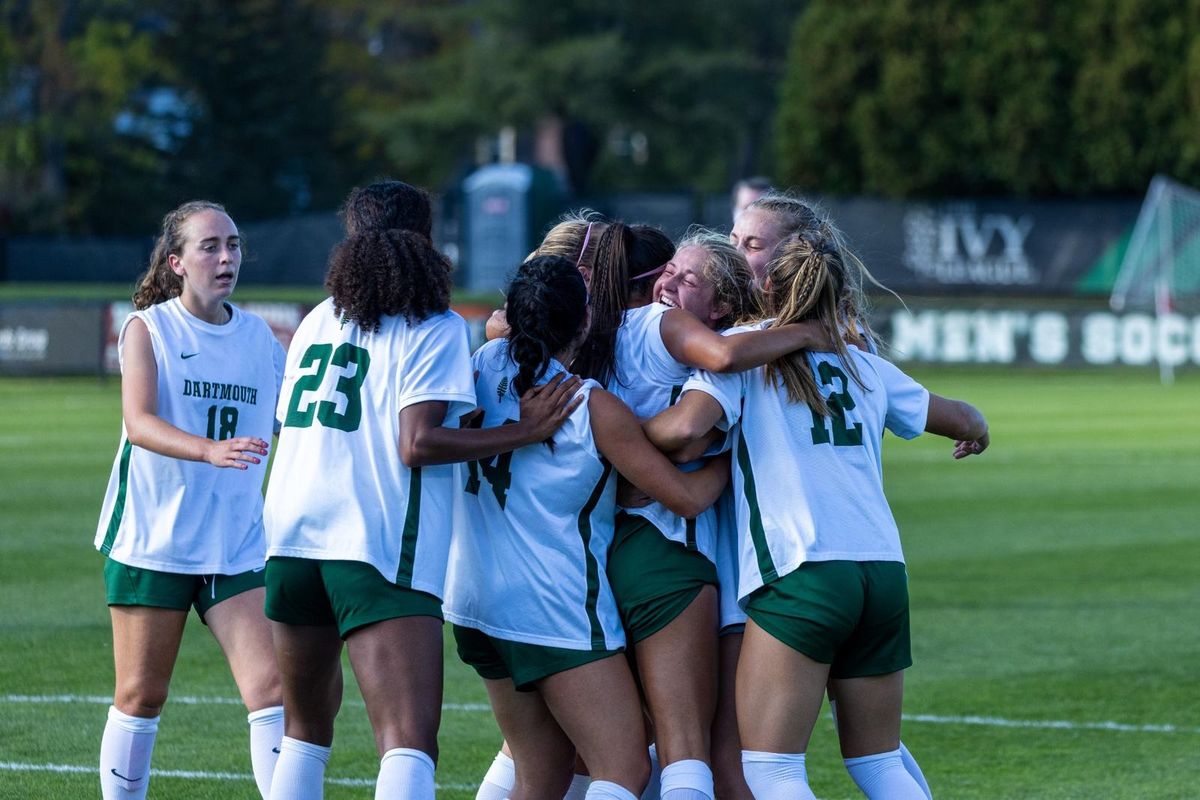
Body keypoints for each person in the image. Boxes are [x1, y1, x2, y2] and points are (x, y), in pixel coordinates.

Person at [262, 181, 582, 800]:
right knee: (408, 740)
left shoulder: (317, 320)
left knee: (304, 732)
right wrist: (524, 430)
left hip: (290, 541)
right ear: (425, 241)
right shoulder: (432, 324)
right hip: (374, 543)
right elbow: (417, 442)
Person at [645, 233, 988, 799]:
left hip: (802, 571)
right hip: (881, 572)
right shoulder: (861, 360)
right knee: (878, 762)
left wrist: (617, 432)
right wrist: (978, 431)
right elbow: (963, 418)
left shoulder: (743, 347)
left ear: (766, 287)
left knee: (771, 770)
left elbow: (684, 432)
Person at [444, 255, 732, 800]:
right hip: (553, 608)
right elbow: (688, 500)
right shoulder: (591, 405)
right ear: (582, 323)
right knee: (623, 770)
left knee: (541, 774)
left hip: (473, 604)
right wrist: (729, 451)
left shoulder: (479, 365)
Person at [606, 230, 831, 800]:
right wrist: (628, 451)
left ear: (725, 303)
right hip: (681, 553)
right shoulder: (710, 343)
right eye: (669, 271)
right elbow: (685, 441)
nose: (669, 283)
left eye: (689, 278)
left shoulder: (613, 330)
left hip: (616, 551)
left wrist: (616, 451)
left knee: (605, 749)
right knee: (707, 755)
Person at [95, 201, 286, 800]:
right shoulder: (148, 328)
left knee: (273, 691)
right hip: (155, 537)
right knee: (141, 696)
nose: (226, 257)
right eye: (210, 246)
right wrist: (210, 450)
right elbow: (139, 421)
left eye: (233, 244)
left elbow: (291, 421)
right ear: (176, 262)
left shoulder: (259, 336)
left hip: (234, 543)